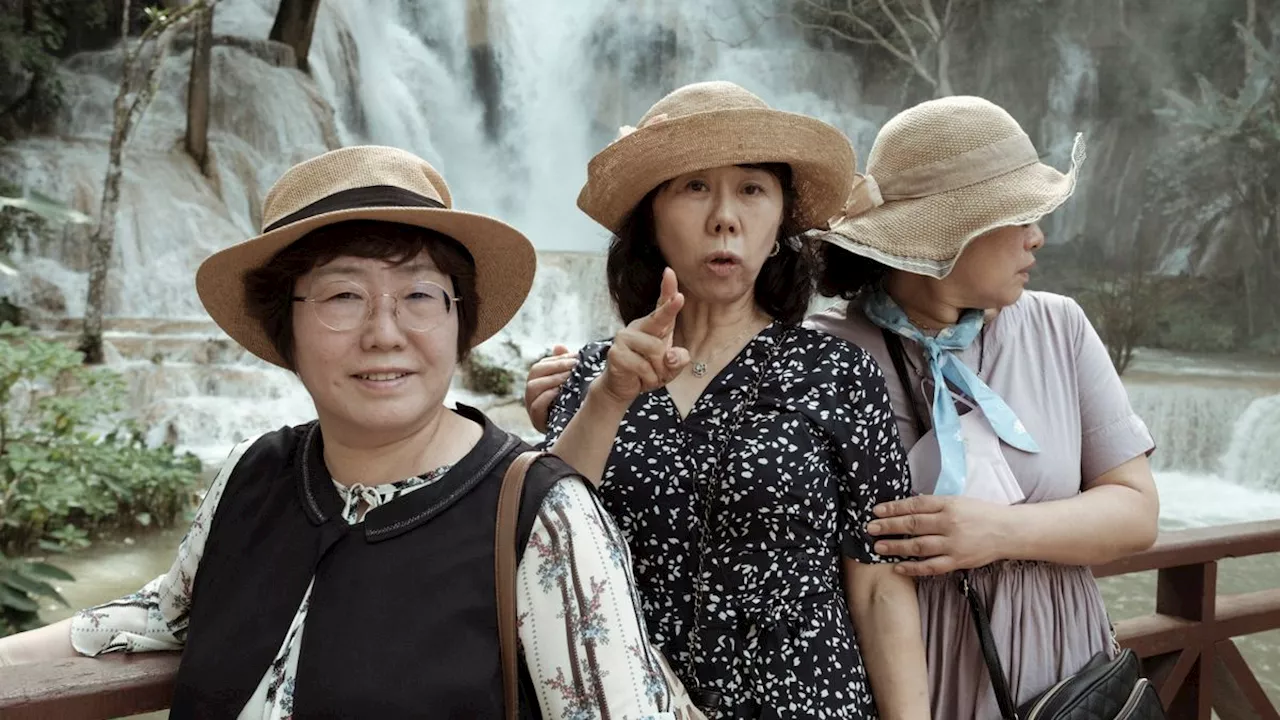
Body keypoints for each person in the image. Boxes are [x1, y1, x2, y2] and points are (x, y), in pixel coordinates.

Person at [0, 145, 703, 720]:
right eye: (343, 296)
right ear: (287, 330)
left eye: (420, 296)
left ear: (459, 321)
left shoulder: (543, 518)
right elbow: (163, 611)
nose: (385, 333)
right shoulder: (257, 471)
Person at [538, 81, 930, 719]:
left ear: (779, 224)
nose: (725, 216)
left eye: (751, 188)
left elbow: (879, 584)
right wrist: (608, 398)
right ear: (652, 223)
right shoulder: (594, 374)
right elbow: (548, 545)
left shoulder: (839, 372)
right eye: (694, 187)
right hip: (630, 702)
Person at [807, 96, 1160, 717]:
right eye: (1018, 214)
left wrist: (996, 532)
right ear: (949, 232)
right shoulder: (827, 354)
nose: (1038, 236)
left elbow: (1135, 513)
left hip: (1068, 674)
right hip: (906, 680)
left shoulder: (1059, 328)